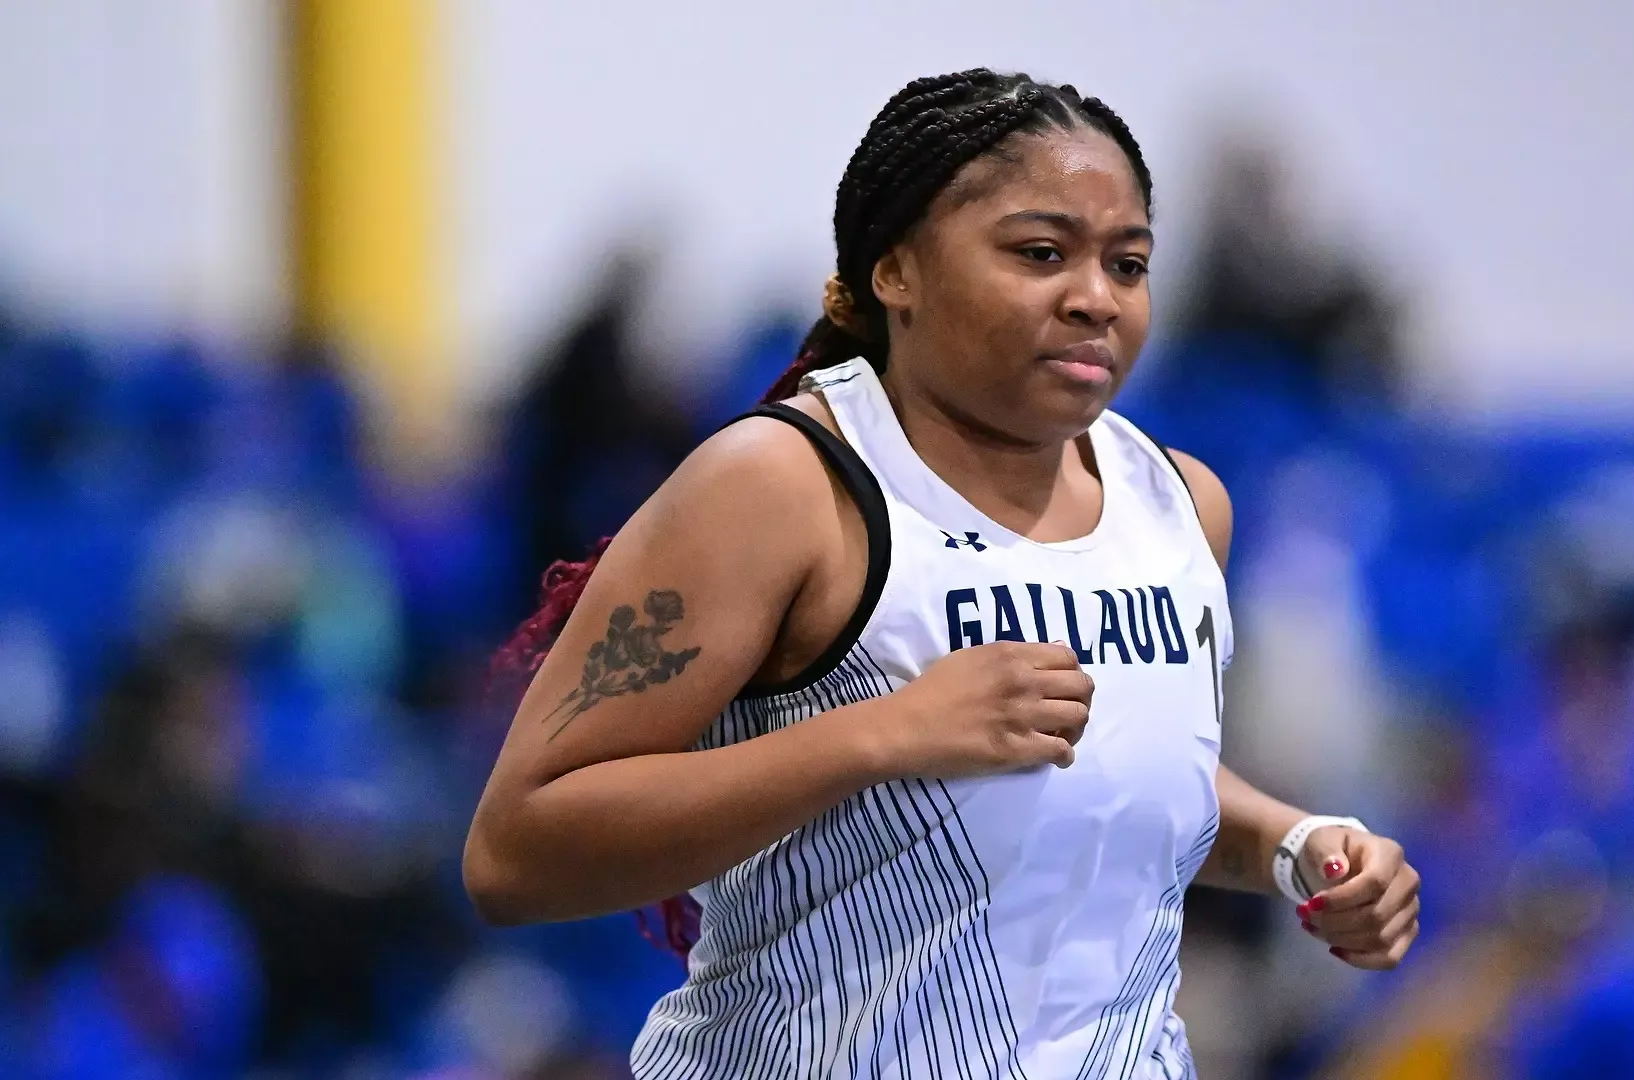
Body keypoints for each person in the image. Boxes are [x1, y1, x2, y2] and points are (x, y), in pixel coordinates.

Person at [465, 69, 1421, 1078]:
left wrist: (1293, 843)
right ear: (896, 270)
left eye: (1128, 264)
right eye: (1041, 253)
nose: (1095, 298)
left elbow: (1118, 773)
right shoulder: (783, 487)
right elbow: (516, 854)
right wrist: (885, 733)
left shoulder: (1181, 507)